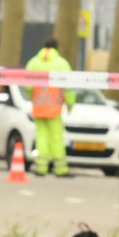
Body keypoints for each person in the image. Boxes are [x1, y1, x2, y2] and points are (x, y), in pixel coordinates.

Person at [25, 38, 75, 177]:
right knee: (56, 137)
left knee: (41, 136)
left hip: (39, 106)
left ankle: (41, 168)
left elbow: (27, 85)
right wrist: (70, 104)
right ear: (56, 48)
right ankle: (60, 169)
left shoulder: (33, 62)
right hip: (55, 107)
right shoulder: (61, 63)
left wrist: (32, 97)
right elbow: (69, 87)